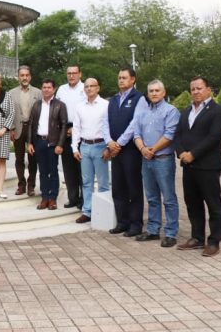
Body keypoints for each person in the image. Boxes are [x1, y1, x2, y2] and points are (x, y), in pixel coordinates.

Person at [174, 76, 221, 257]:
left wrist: (193, 154)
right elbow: (178, 135)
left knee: (213, 204)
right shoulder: (186, 111)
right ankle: (197, 238)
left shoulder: (218, 111)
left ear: (208, 89)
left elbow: (213, 137)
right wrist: (181, 153)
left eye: (199, 88)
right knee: (193, 203)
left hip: (208, 165)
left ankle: (214, 242)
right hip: (188, 165)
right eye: (193, 89)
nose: (196, 92)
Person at [128, 80, 180, 247]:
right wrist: (143, 149)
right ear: (148, 94)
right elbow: (136, 133)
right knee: (151, 197)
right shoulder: (143, 113)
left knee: (169, 198)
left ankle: (171, 233)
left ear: (164, 93)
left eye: (157, 90)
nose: (154, 93)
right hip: (146, 159)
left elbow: (169, 134)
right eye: (151, 91)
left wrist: (152, 150)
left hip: (163, 160)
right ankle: (152, 230)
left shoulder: (171, 111)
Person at [103, 68, 146, 237]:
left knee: (133, 187)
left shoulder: (139, 98)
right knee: (118, 187)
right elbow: (105, 123)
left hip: (130, 150)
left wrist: (119, 143)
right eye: (119, 77)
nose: (121, 80)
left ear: (133, 79)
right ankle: (122, 222)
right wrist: (109, 142)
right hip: (115, 150)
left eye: (124, 78)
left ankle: (135, 224)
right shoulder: (113, 100)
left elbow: (135, 123)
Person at [71, 78, 109, 224]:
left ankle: (104, 211)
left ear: (98, 88)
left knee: (103, 182)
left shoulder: (106, 105)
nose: (89, 89)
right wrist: (75, 147)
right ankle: (87, 211)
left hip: (100, 146)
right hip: (85, 147)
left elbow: (109, 127)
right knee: (87, 182)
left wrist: (108, 147)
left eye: (92, 86)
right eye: (86, 86)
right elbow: (76, 128)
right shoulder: (80, 106)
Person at [27, 79, 68, 210]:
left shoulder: (60, 105)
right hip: (39, 142)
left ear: (54, 89)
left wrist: (60, 144)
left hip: (53, 143)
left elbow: (63, 126)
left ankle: (53, 198)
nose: (46, 89)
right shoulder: (37, 105)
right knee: (43, 172)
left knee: (53, 171)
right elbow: (31, 125)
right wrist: (30, 143)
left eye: (49, 87)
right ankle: (44, 197)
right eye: (44, 87)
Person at [8, 66, 42, 196]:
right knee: (19, 158)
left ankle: (31, 186)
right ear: (18, 77)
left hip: (33, 129)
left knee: (33, 159)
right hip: (18, 127)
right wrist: (11, 128)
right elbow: (9, 112)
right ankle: (21, 185)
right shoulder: (11, 93)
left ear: (30, 77)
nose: (24, 78)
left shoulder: (38, 93)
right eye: (22, 75)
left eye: (27, 75)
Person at [55, 65, 86, 209]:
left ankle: (84, 200)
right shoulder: (61, 89)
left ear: (80, 74)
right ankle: (72, 198)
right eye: (69, 73)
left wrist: (76, 129)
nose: (71, 76)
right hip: (65, 130)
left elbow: (88, 110)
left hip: (82, 132)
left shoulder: (86, 88)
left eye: (74, 73)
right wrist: (65, 129)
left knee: (82, 169)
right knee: (68, 168)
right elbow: (56, 110)